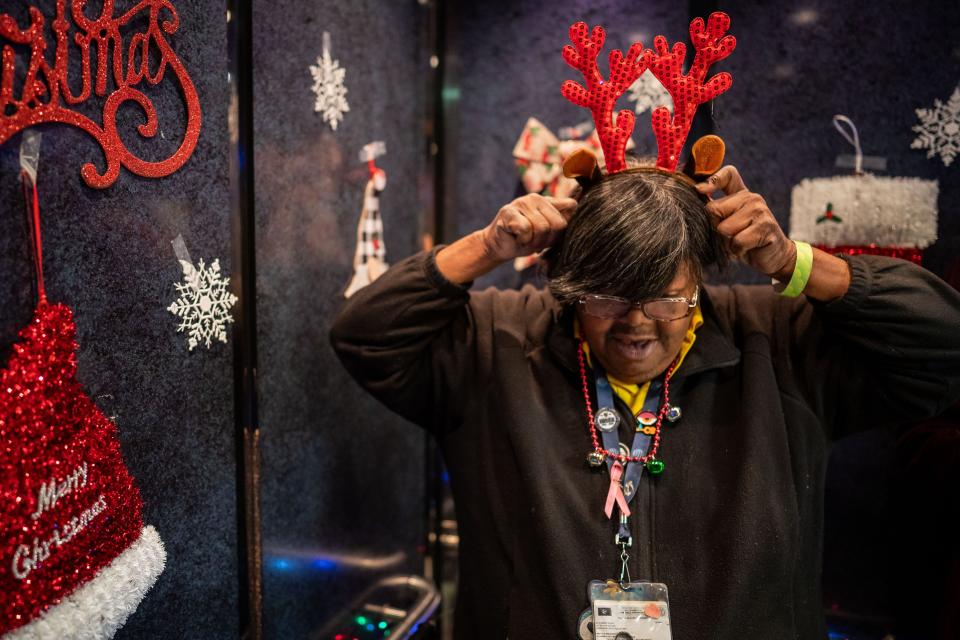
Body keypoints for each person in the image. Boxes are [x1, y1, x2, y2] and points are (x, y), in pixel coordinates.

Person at [330, 164, 960, 639]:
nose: (636, 324)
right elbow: (365, 335)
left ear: (699, 278)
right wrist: (488, 248)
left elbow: (943, 345)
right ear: (570, 286)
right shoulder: (500, 342)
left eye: (665, 297)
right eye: (605, 296)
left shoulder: (777, 339)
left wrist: (795, 262)